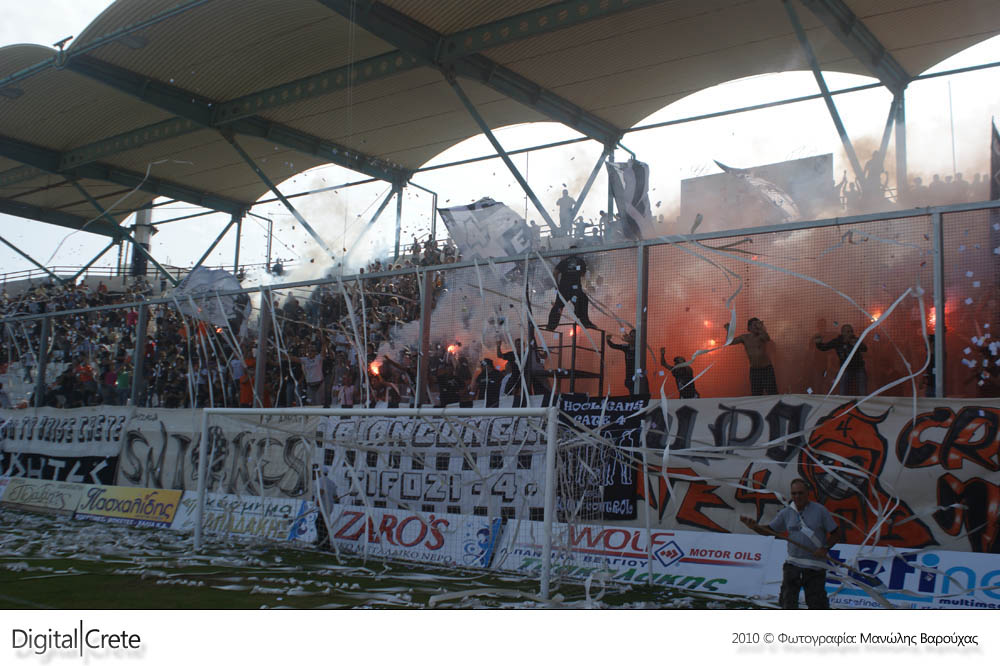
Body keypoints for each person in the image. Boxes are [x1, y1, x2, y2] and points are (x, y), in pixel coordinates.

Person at [740, 479, 838, 609]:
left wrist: (825, 548)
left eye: (800, 493)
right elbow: (770, 530)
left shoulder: (820, 511)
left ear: (807, 493)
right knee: (787, 603)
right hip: (793, 564)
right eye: (794, 493)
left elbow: (836, 533)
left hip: (815, 567)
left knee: (817, 605)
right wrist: (755, 527)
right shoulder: (786, 513)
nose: (797, 496)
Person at [545, 250, 597, 331]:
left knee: (559, 305)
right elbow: (583, 274)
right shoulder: (580, 261)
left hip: (564, 289)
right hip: (575, 290)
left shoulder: (564, 261)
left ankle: (551, 326)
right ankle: (584, 321)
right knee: (583, 300)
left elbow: (555, 272)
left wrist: (556, 284)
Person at [726, 317, 777, 395]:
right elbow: (729, 342)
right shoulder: (744, 337)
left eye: (758, 324)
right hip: (754, 371)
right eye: (754, 325)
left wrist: (761, 328)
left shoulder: (761, 336)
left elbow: (767, 338)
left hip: (766, 369)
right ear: (749, 327)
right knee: (756, 394)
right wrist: (728, 330)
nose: (757, 326)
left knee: (772, 393)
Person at [814, 324, 867, 395]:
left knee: (862, 389)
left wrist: (858, 344)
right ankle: (843, 401)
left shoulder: (854, 340)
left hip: (858, 368)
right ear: (842, 333)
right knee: (843, 390)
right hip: (845, 369)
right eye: (848, 332)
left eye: (851, 331)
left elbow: (865, 349)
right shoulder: (838, 341)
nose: (850, 333)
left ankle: (863, 401)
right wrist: (818, 343)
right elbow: (824, 347)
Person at [608, 329, 647, 394]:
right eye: (631, 336)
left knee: (640, 393)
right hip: (629, 376)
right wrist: (608, 340)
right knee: (632, 393)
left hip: (638, 375)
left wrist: (629, 340)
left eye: (634, 337)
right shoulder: (626, 347)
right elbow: (613, 345)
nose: (632, 338)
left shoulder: (639, 347)